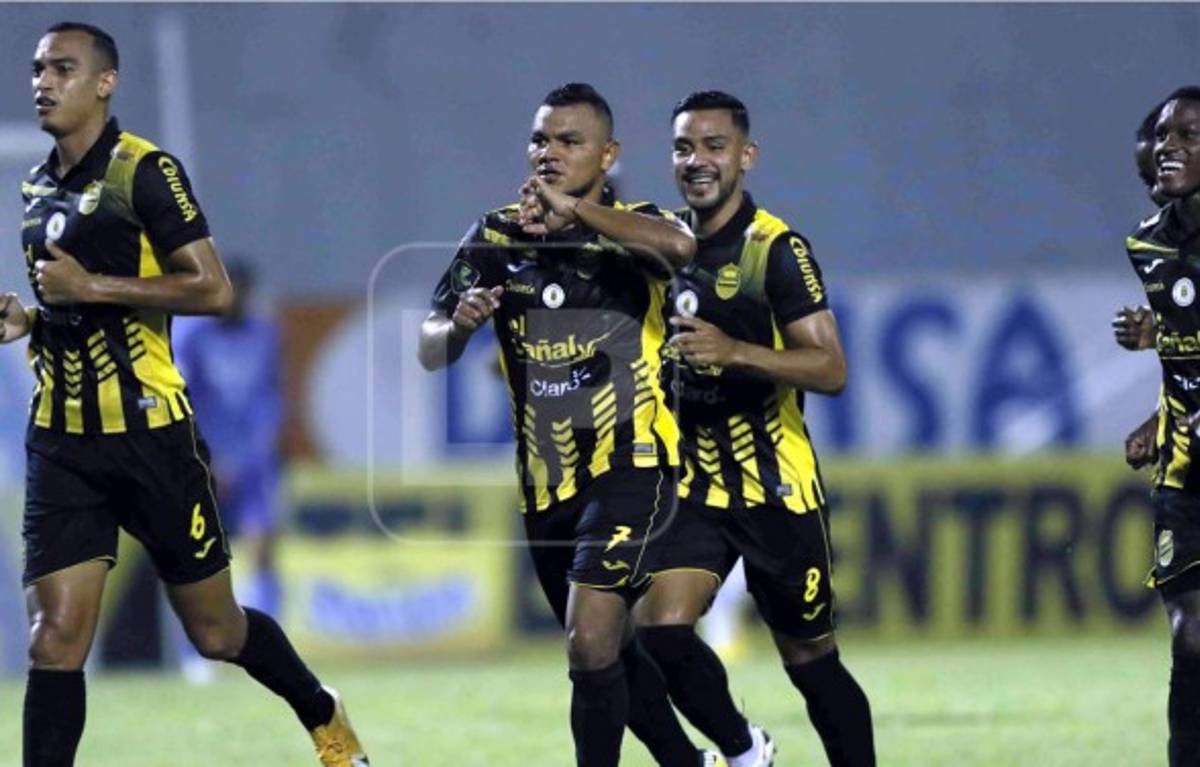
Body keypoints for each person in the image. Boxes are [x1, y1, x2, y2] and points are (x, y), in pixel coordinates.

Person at [0, 23, 365, 766]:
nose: (43, 81)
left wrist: (89, 284)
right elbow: (75, 314)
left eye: (63, 69)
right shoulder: (36, 186)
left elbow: (212, 288)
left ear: (105, 83)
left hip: (151, 437)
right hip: (62, 440)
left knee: (216, 632)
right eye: (38, 69)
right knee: (56, 638)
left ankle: (322, 711)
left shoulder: (146, 172)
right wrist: (31, 319)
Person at [418, 83, 719, 767]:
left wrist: (577, 213)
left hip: (631, 464)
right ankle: (691, 760)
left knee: (587, 640)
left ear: (607, 155)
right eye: (539, 140)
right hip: (545, 486)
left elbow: (682, 247)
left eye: (568, 141)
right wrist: (458, 326)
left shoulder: (636, 227)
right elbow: (428, 347)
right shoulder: (495, 236)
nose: (548, 153)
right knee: (605, 651)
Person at [633, 91, 876, 767]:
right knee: (660, 631)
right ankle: (745, 750)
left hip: (778, 489)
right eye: (684, 147)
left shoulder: (776, 247)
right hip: (696, 486)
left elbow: (830, 368)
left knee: (811, 662)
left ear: (746, 156)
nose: (697, 161)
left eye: (714, 146)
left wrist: (735, 350)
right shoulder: (665, 246)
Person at [1123, 85, 1200, 766]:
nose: (1169, 148)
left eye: (1189, 135)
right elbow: (1199, 346)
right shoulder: (1148, 245)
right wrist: (1160, 416)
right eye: (1163, 135)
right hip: (1192, 473)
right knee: (1196, 629)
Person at [175, 260, 284, 619]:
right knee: (198, 552)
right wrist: (206, 455)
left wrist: (264, 442)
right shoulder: (190, 335)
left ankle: (268, 630)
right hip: (203, 459)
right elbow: (181, 401)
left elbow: (271, 392)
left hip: (253, 458)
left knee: (263, 543)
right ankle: (196, 651)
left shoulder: (265, 333)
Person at [1114, 103, 1170, 469]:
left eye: (1166, 172)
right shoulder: (1158, 248)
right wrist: (1160, 422)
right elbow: (1199, 367)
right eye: (1148, 180)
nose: (1159, 190)